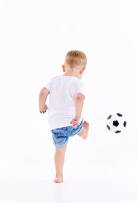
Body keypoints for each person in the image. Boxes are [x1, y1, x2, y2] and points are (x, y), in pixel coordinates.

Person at [38, 50, 90, 183]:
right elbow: (79, 97)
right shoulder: (79, 83)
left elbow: (43, 92)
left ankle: (59, 175)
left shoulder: (54, 80)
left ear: (63, 67)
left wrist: (42, 106)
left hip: (56, 126)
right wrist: (77, 116)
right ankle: (84, 133)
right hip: (73, 124)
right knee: (79, 128)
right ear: (82, 70)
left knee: (60, 151)